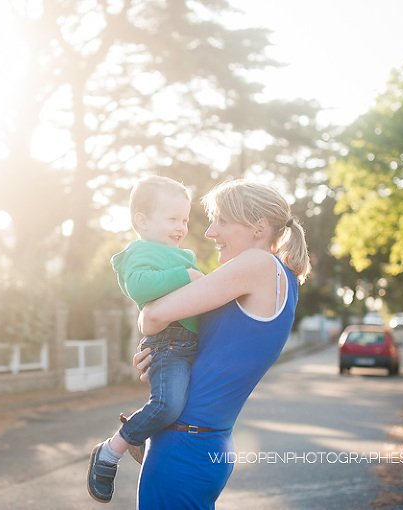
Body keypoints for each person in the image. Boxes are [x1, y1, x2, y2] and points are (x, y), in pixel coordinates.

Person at [131, 179, 311, 509]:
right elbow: (217, 354)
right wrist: (162, 358)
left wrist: (180, 282)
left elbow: (152, 316)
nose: (210, 232)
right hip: (203, 441)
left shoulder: (257, 264)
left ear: (259, 228)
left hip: (186, 444)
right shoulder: (280, 276)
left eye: (222, 221)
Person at [87, 175, 203, 503]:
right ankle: (110, 452)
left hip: (190, 344)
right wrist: (188, 277)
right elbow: (138, 285)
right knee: (167, 405)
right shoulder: (140, 251)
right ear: (142, 220)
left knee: (181, 410)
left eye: (184, 219)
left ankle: (144, 438)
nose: (181, 226)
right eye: (172, 219)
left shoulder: (184, 256)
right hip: (168, 344)